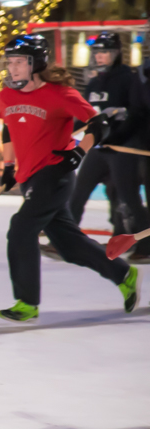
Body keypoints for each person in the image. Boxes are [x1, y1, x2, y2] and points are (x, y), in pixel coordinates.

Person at [0, 34, 140, 323]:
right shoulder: (6, 95)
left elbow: (99, 124)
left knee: (21, 228)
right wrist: (9, 167)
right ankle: (122, 272)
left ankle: (26, 302)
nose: (12, 68)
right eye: (9, 62)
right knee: (69, 246)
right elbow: (8, 129)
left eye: (19, 62)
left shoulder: (59, 94)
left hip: (54, 174)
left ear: (35, 63)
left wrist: (78, 154)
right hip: (28, 177)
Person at [66, 32, 150, 263]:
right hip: (100, 148)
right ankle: (66, 241)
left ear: (116, 54)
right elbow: (86, 115)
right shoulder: (93, 82)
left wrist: (120, 137)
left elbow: (137, 113)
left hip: (123, 149)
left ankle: (146, 246)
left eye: (105, 52)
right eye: (98, 52)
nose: (100, 57)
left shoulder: (128, 79)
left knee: (128, 198)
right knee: (79, 192)